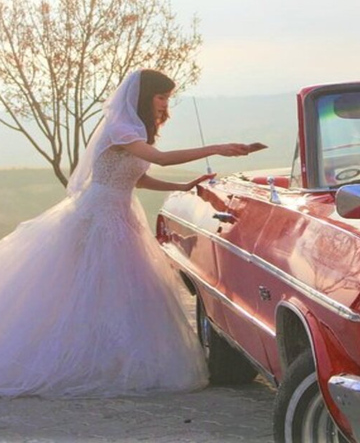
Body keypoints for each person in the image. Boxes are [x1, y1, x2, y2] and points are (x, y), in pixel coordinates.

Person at [0, 69, 259, 398]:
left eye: (168, 98)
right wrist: (216, 148)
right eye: (161, 97)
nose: (166, 105)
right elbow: (161, 161)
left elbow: (137, 179)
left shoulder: (135, 131)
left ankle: (111, 360)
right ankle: (79, 362)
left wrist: (181, 186)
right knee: (88, 292)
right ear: (144, 96)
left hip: (122, 214)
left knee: (120, 294)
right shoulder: (121, 128)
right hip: (98, 217)